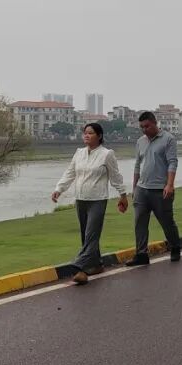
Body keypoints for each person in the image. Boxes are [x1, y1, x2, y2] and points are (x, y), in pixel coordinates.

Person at [51, 122, 129, 285]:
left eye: (90, 133)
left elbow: (115, 176)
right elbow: (70, 173)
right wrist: (59, 189)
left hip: (97, 200)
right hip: (81, 199)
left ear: (99, 136)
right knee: (85, 235)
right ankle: (97, 264)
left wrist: (123, 195)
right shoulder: (79, 153)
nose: (86, 135)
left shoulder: (107, 154)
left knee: (91, 235)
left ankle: (78, 266)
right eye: (85, 133)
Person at [127, 111, 180, 267]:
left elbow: (172, 162)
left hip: (160, 190)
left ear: (155, 123)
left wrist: (169, 184)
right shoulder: (140, 141)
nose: (144, 130)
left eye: (147, 126)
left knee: (167, 222)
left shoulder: (168, 139)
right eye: (142, 127)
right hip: (142, 189)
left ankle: (175, 247)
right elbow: (137, 165)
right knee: (140, 223)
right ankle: (141, 254)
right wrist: (134, 187)